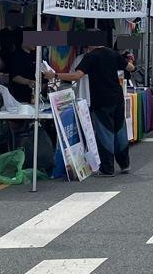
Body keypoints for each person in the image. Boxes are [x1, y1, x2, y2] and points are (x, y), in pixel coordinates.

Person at [55, 37, 130, 177]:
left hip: (101, 99)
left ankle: (108, 168)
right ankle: (125, 164)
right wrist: (129, 62)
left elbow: (77, 76)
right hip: (117, 97)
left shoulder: (90, 57)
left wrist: (55, 75)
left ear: (89, 45)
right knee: (120, 130)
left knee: (105, 133)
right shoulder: (112, 53)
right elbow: (130, 67)